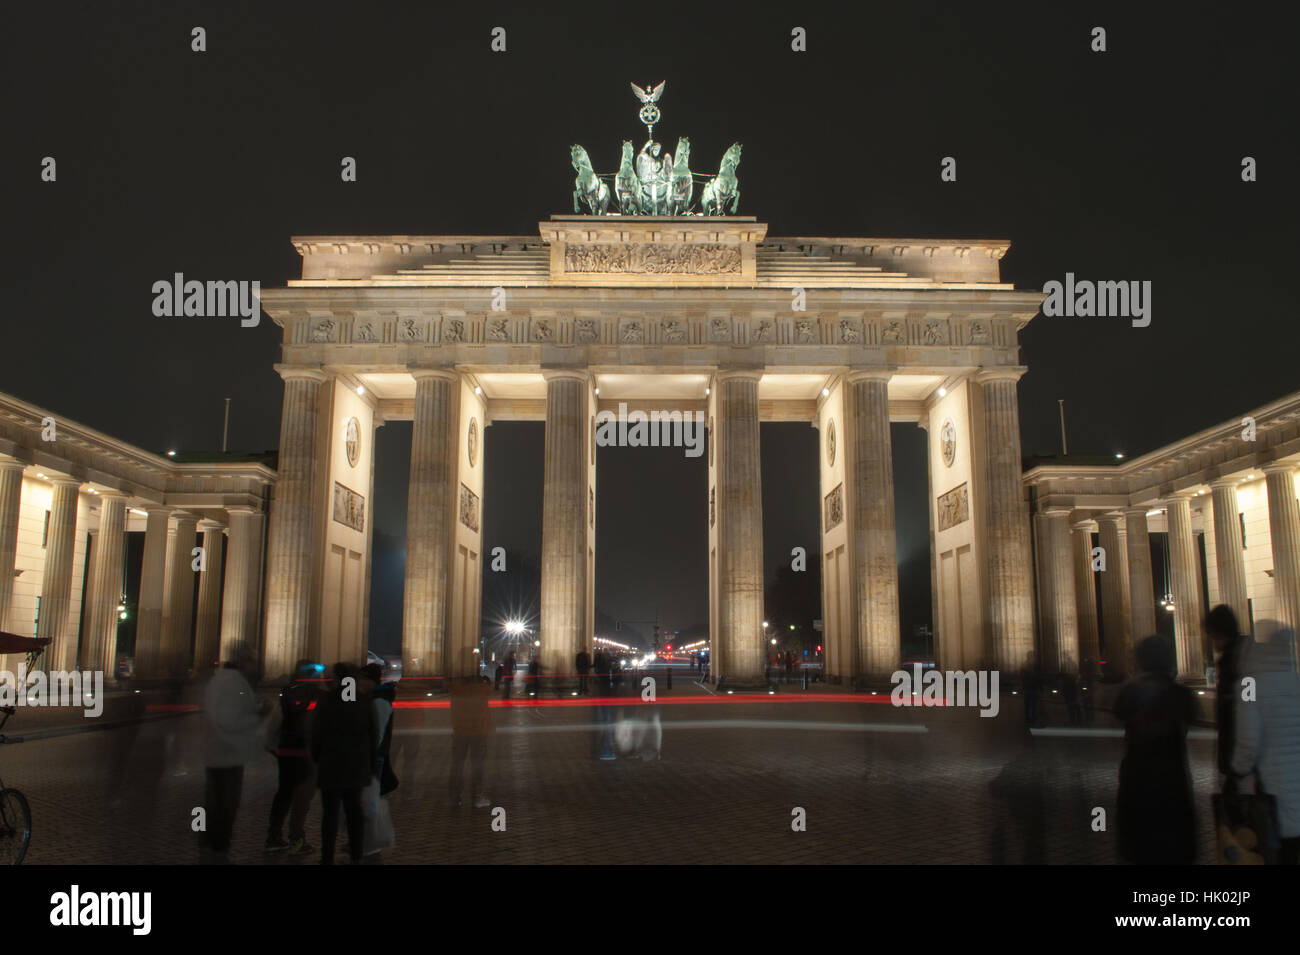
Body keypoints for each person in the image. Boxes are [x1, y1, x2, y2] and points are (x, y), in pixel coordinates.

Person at [1114, 634, 1198, 864]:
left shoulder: (1131, 693)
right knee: (1174, 845)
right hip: (1173, 776)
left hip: (1138, 776)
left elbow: (1119, 714)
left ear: (1141, 661)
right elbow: (1187, 722)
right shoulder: (1182, 694)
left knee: (1140, 847)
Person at [1231, 621, 1300, 864]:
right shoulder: (1296, 680)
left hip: (1272, 785)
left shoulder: (1249, 684)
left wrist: (1238, 769)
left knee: (1277, 850)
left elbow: (1248, 740)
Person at [201, 646, 268, 863]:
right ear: (242, 662)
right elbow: (229, 720)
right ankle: (218, 849)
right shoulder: (234, 683)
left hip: (216, 752)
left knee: (214, 803)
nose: (255, 665)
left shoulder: (218, 680)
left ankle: (208, 844)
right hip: (229, 753)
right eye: (251, 661)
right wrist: (257, 715)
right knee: (226, 805)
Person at [312, 663, 378, 864]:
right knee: (354, 812)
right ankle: (356, 854)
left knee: (330, 814)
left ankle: (327, 856)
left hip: (331, 763)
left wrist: (317, 757)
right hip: (356, 764)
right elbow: (373, 734)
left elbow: (316, 732)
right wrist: (369, 761)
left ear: (336, 678)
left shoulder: (327, 700)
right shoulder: (364, 701)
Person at [266, 659, 320, 855]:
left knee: (284, 795)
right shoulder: (314, 696)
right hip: (306, 754)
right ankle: (296, 839)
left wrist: (276, 749)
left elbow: (273, 727)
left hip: (286, 753)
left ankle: (273, 837)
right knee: (302, 799)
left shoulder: (286, 694)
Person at [1206, 604, 1247, 793]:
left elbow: (1248, 704)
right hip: (1235, 746)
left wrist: (1238, 764)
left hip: (1238, 748)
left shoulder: (1239, 659)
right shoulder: (1236, 656)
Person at [448, 673, 493, 808]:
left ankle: (455, 797)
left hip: (459, 731)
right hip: (478, 732)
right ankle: (477, 796)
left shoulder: (456, 690)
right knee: (477, 765)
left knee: (457, 765)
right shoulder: (482, 690)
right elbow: (490, 688)